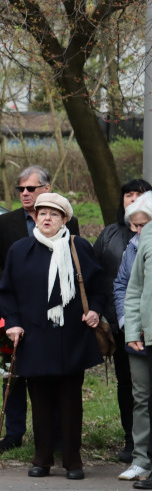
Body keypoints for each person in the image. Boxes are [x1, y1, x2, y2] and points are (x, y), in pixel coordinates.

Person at [0, 193, 106, 480]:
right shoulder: (20, 250)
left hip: (72, 336)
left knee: (70, 400)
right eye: (42, 213)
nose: (46, 218)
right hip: (34, 337)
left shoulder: (78, 247)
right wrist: (14, 324)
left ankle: (72, 460)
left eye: (54, 214)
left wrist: (94, 310)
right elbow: (7, 292)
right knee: (40, 400)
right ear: (35, 217)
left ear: (64, 219)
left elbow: (98, 287)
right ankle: (42, 458)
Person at [0, 165, 82, 451]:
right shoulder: (4, 223)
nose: (24, 193)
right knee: (12, 374)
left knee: (51, 373)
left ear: (46, 190)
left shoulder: (66, 223)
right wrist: (13, 287)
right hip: (13, 314)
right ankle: (13, 433)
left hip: (51, 314)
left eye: (31, 188)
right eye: (20, 189)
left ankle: (54, 435)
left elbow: (74, 264)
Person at [93, 178, 152, 463]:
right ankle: (131, 440)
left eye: (140, 194)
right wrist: (112, 318)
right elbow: (101, 278)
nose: (134, 199)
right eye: (129, 194)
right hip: (119, 325)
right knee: (127, 384)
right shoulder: (110, 235)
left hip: (148, 325)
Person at [116, 193, 152, 482]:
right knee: (140, 397)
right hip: (138, 334)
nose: (138, 231)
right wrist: (130, 327)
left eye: (144, 225)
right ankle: (141, 459)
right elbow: (126, 288)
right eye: (135, 226)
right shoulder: (132, 249)